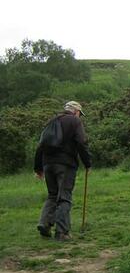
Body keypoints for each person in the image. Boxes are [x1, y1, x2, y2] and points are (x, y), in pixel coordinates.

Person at [34, 101, 92, 241]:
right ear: (77, 112)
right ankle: (62, 233)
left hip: (48, 163)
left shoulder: (51, 121)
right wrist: (87, 163)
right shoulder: (75, 121)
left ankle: (44, 224)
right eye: (80, 114)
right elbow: (81, 142)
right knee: (64, 197)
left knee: (52, 195)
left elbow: (40, 145)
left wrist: (38, 168)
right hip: (65, 164)